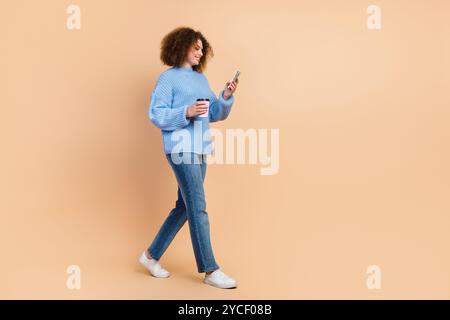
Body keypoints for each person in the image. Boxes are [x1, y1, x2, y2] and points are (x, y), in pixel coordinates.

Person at [138, 27, 239, 289]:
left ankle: (150, 256)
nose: (200, 52)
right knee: (198, 206)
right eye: (196, 47)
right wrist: (187, 111)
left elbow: (214, 113)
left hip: (200, 147)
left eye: (202, 49)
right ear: (181, 46)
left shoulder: (200, 80)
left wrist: (225, 98)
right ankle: (210, 270)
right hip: (179, 148)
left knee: (184, 207)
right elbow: (156, 114)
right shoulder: (168, 79)